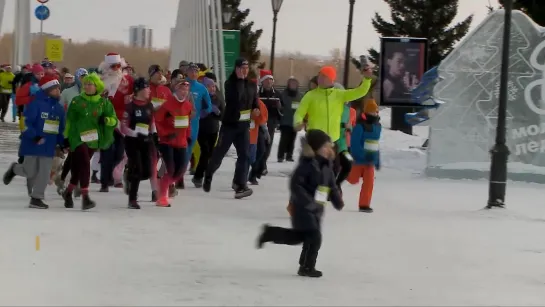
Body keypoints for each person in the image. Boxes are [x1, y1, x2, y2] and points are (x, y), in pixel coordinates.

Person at [256, 130, 344, 278]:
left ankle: (270, 233)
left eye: (330, 147)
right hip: (303, 208)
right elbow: (295, 184)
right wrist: (308, 202)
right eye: (325, 147)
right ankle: (307, 267)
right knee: (314, 237)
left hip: (317, 208)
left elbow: (332, 185)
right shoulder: (307, 164)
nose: (329, 150)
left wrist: (337, 200)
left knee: (300, 237)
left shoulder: (327, 165)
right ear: (315, 149)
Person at [294, 65, 374, 186]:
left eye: (323, 76)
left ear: (331, 79)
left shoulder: (339, 95)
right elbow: (300, 112)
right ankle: (298, 200)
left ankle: (323, 195)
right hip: (315, 141)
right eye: (319, 76)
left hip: (332, 141)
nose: (320, 78)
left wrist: (367, 80)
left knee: (333, 170)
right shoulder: (310, 95)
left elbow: (360, 92)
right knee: (311, 170)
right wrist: (298, 122)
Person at [3, 75, 66, 209]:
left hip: (49, 147)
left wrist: (63, 143)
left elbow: (60, 129)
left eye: (58, 89)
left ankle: (36, 198)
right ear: (47, 90)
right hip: (32, 144)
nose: (58, 92)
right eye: (55, 89)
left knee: (44, 173)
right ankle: (15, 169)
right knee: (29, 172)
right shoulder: (34, 103)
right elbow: (26, 124)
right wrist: (34, 137)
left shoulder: (59, 109)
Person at [203, 58, 260, 199]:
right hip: (230, 126)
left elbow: (255, 102)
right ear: (236, 69)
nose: (244, 71)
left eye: (246, 68)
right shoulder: (230, 84)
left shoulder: (252, 85)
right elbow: (234, 100)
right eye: (241, 68)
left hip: (243, 126)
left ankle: (239, 184)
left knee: (244, 155)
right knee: (219, 154)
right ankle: (208, 174)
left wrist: (256, 109)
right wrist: (240, 81)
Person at [62, 73, 118, 210]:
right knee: (85, 163)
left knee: (78, 168)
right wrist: (65, 138)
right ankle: (85, 197)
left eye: (90, 84)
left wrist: (106, 120)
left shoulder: (103, 103)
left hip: (93, 138)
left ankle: (68, 192)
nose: (87, 86)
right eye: (85, 84)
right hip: (77, 137)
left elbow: (114, 120)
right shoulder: (76, 101)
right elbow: (69, 121)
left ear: (96, 86)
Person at [154, 79, 193, 207]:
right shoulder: (166, 105)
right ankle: (162, 197)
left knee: (181, 170)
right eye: (182, 89)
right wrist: (165, 133)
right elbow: (158, 121)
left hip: (181, 142)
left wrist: (188, 136)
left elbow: (187, 123)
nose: (184, 92)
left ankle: (164, 183)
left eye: (186, 90)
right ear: (176, 90)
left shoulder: (188, 105)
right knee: (170, 169)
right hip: (167, 141)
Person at [98, 52, 134, 192]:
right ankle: (104, 182)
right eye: (113, 66)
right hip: (106, 120)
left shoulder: (128, 80)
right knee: (106, 151)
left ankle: (113, 175)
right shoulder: (100, 81)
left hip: (122, 120)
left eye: (118, 66)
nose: (116, 68)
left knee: (119, 153)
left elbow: (135, 96)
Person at [121, 78, 156, 209]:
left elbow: (151, 122)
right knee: (138, 169)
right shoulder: (130, 107)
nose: (149, 91)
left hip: (146, 141)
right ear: (139, 90)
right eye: (147, 88)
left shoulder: (149, 106)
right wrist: (135, 133)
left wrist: (154, 134)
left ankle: (128, 176)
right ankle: (132, 199)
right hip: (132, 142)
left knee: (147, 171)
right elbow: (123, 127)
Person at [176, 63, 211, 188]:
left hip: (194, 125)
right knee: (178, 150)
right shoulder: (181, 85)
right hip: (179, 123)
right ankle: (172, 175)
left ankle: (180, 177)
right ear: (187, 73)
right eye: (191, 71)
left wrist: (202, 113)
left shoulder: (202, 88)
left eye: (196, 72)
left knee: (187, 151)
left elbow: (209, 106)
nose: (194, 74)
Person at [348, 100, 381, 213]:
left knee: (369, 183)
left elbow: (376, 143)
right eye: (372, 112)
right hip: (359, 160)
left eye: (376, 112)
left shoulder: (378, 126)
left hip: (370, 161)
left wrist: (377, 160)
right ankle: (342, 176)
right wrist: (362, 155)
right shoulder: (360, 126)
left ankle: (364, 205)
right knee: (353, 180)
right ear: (367, 112)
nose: (375, 114)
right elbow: (355, 143)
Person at [192, 77, 225, 187]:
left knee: (210, 153)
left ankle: (200, 175)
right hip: (201, 129)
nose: (212, 88)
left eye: (214, 86)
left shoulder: (218, 98)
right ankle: (198, 176)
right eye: (210, 86)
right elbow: (197, 113)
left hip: (213, 130)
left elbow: (222, 115)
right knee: (205, 151)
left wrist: (218, 112)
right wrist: (207, 110)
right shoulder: (201, 98)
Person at [258, 69, 283, 175]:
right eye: (267, 80)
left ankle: (263, 164)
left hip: (271, 122)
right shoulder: (257, 93)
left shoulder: (277, 93)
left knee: (268, 144)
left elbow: (282, 110)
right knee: (259, 145)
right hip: (258, 123)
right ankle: (259, 165)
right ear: (262, 81)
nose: (269, 82)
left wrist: (279, 108)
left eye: (270, 80)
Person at [278, 76, 302, 162]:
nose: (293, 85)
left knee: (292, 139)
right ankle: (280, 156)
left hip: (295, 121)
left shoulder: (299, 95)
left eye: (295, 83)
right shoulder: (283, 94)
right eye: (291, 83)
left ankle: (289, 155)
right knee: (284, 139)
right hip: (285, 121)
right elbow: (280, 106)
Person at [247, 94, 268, 185]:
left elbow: (263, 118)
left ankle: (253, 174)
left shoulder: (259, 103)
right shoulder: (242, 100)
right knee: (244, 156)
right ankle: (241, 177)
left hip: (255, 133)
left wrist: (265, 130)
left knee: (258, 153)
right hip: (242, 132)